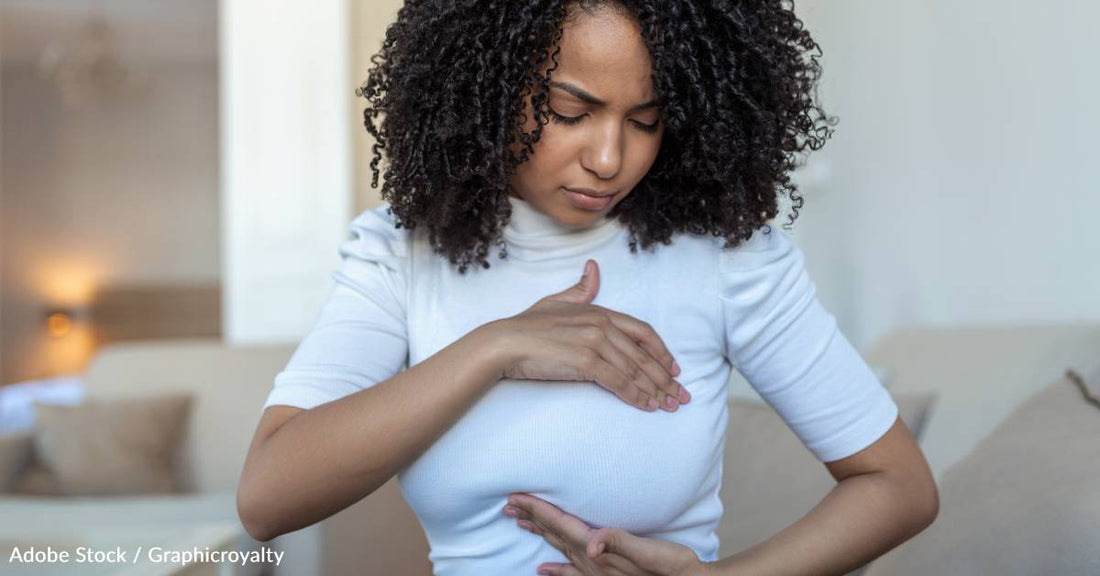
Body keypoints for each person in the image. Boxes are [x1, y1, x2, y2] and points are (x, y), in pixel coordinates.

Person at [237, 1, 939, 575]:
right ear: (486, 85)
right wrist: (498, 346)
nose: (609, 159)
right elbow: (268, 499)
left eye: (645, 120)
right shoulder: (401, 254)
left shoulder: (727, 259)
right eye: (570, 112)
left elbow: (899, 487)